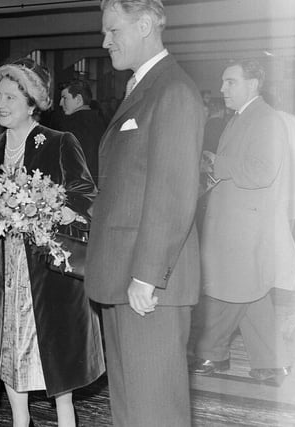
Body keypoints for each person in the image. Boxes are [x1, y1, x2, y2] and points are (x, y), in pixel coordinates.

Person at [0, 58, 104, 427]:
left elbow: (85, 192)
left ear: (32, 102)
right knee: (10, 344)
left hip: (47, 268)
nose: (2, 104)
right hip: (4, 267)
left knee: (53, 349)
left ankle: (65, 420)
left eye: (11, 97)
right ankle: (19, 420)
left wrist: (55, 208)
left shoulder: (59, 142)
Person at [84, 1, 205, 425]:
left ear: (146, 24)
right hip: (126, 276)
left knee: (154, 410)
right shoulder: (143, 87)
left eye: (113, 30)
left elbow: (173, 191)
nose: (106, 41)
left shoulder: (172, 90)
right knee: (133, 407)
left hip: (148, 284)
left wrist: (147, 275)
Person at [189, 59, 295, 385]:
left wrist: (217, 164)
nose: (222, 89)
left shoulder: (264, 119)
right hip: (236, 224)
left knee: (227, 292)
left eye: (230, 82)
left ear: (253, 84)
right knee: (251, 293)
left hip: (245, 228)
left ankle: (212, 353)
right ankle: (271, 363)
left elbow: (262, 171)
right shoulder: (242, 117)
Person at [54, 79, 105, 184]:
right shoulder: (100, 121)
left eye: (64, 98)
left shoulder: (70, 125)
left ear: (78, 99)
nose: (60, 103)